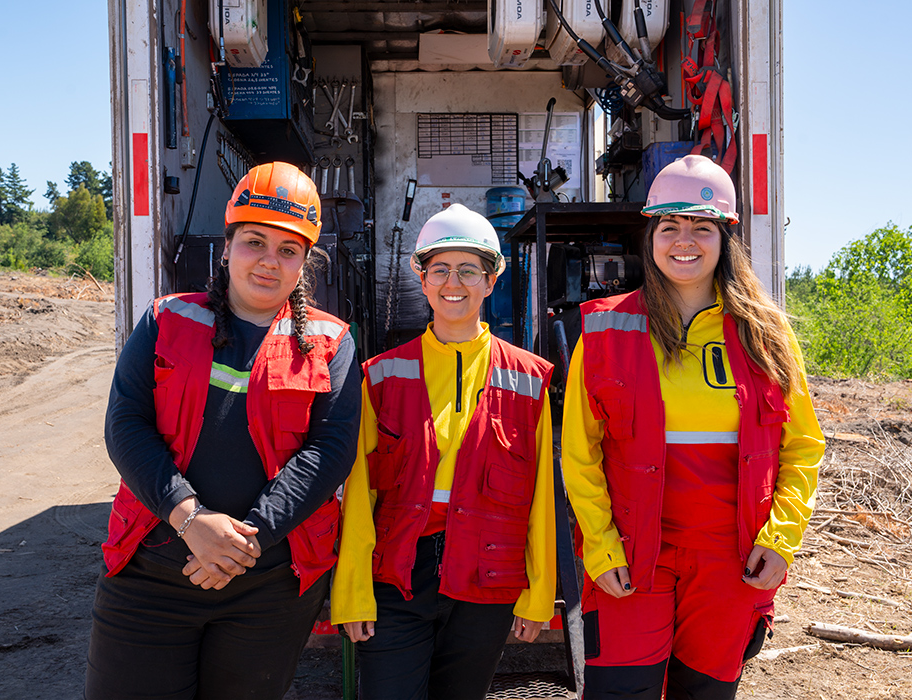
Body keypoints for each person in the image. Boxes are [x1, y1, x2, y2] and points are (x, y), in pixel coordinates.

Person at [84, 162, 361, 700]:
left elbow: (329, 453)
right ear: (227, 245)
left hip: (267, 585)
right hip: (152, 575)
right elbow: (125, 425)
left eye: (288, 250)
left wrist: (242, 544)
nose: (268, 261)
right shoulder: (166, 320)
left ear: (304, 263)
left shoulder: (332, 343)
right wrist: (192, 521)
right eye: (254, 241)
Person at [562, 155, 825, 699]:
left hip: (730, 561)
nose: (685, 240)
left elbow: (801, 446)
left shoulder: (766, 333)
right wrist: (601, 547)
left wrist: (782, 541)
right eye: (669, 226)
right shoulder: (605, 329)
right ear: (651, 235)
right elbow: (580, 455)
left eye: (701, 227)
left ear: (724, 237)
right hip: (632, 555)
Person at [331, 203, 557, 700]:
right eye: (440, 269)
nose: (454, 282)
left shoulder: (530, 379)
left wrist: (539, 592)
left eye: (469, 270)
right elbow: (359, 493)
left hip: (488, 577)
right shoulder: (381, 375)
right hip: (397, 575)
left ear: (491, 281)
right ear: (422, 277)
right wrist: (352, 591)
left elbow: (542, 498)